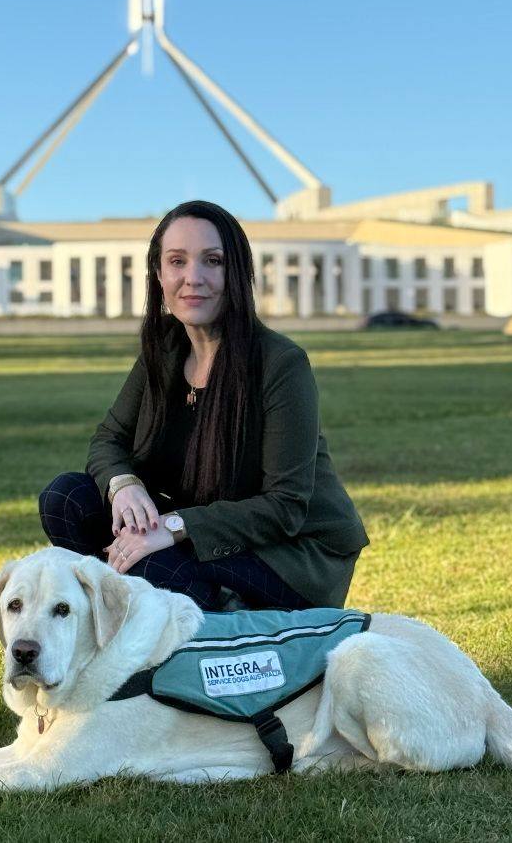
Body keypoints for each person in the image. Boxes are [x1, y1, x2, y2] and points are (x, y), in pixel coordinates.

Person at [39, 200, 368, 611]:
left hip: (290, 553)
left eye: (213, 261)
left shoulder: (281, 363)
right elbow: (109, 440)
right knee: (66, 498)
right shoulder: (164, 349)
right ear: (159, 274)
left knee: (152, 565)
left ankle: (216, 608)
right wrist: (124, 486)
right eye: (177, 261)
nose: (193, 278)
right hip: (198, 528)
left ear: (237, 273)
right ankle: (138, 608)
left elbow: (285, 508)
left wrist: (173, 527)